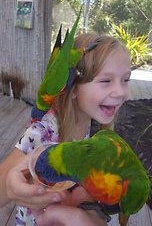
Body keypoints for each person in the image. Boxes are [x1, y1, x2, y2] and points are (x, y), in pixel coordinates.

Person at [0, 32, 131, 226]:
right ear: (73, 89)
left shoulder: (90, 124)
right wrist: (11, 188)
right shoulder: (44, 131)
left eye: (126, 80)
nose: (121, 92)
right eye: (105, 81)